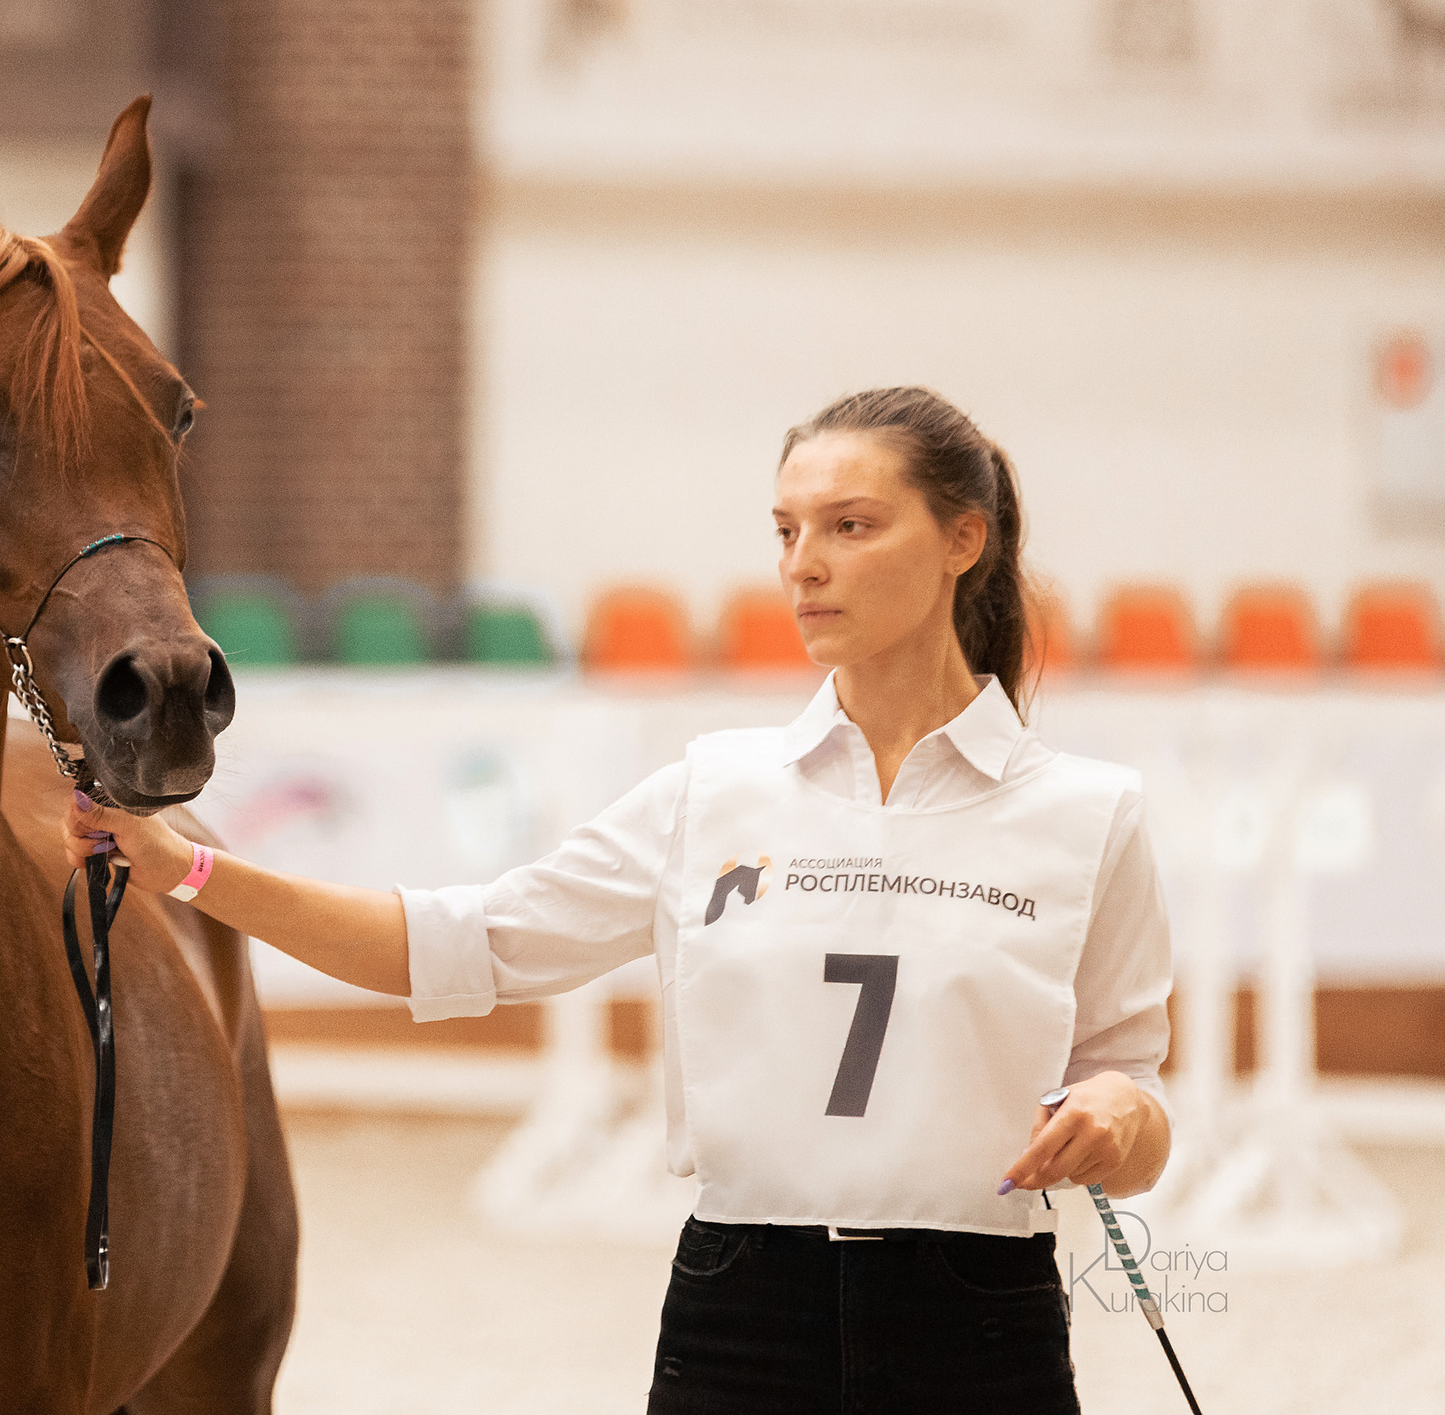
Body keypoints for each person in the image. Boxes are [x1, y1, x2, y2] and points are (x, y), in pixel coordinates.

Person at [67, 386, 1172, 1414]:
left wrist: (1120, 1114)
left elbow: (1136, 1102)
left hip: (981, 1316)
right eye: (786, 530)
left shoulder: (1087, 814)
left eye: (850, 526)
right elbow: (463, 944)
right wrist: (189, 869)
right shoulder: (713, 790)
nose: (804, 565)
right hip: (742, 1313)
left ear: (963, 540)